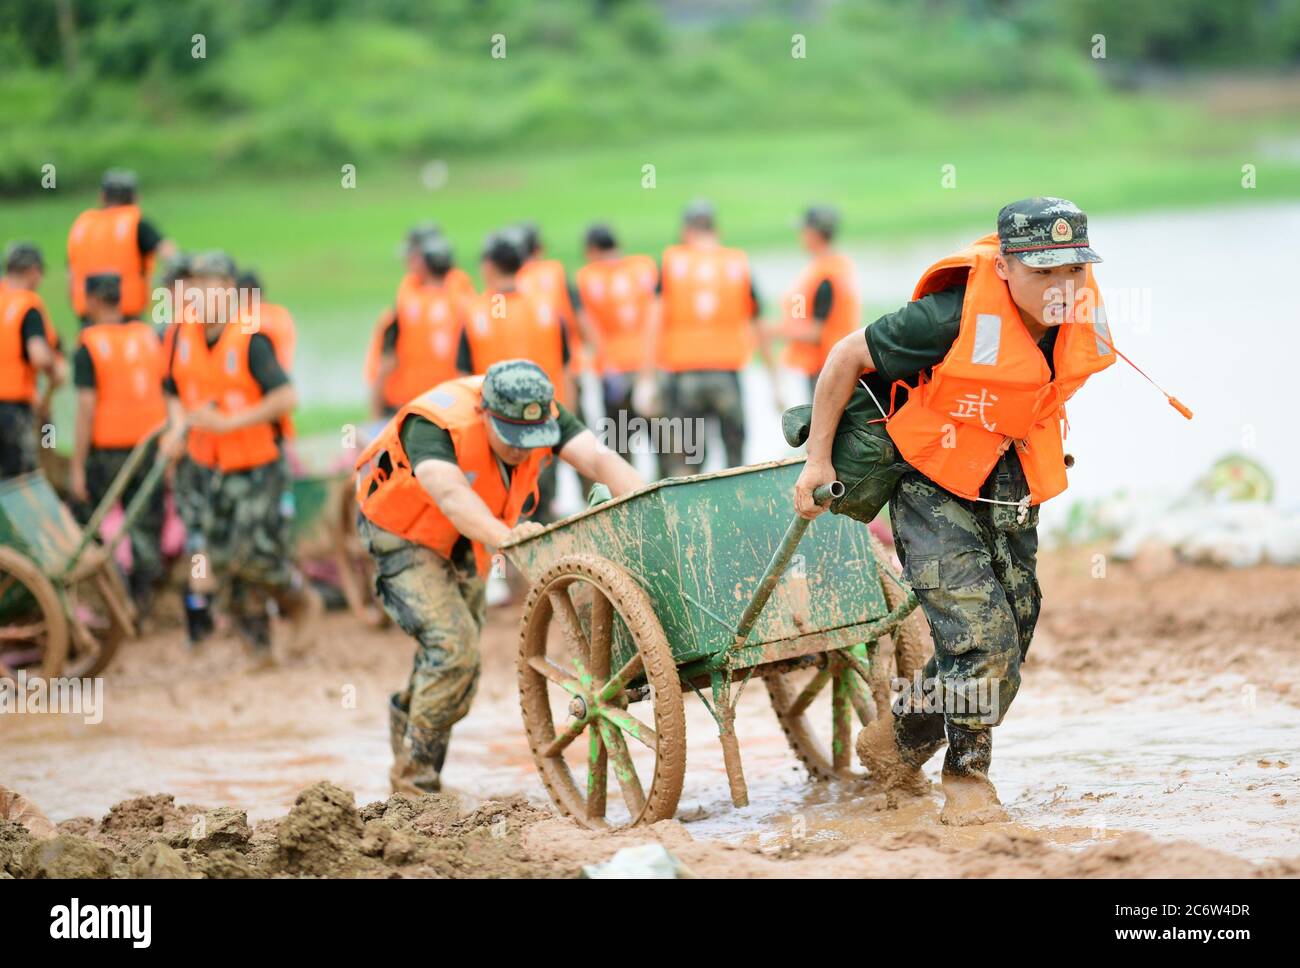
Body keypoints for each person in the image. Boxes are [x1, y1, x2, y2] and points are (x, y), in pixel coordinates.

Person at [793, 198, 1116, 825]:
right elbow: (843, 358)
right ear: (1004, 268)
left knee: (1014, 632)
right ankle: (966, 779)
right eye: (1043, 272)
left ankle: (902, 739)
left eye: (1073, 271)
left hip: (1010, 479)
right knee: (983, 638)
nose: (1062, 288)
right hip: (930, 479)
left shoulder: (1076, 313)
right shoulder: (944, 317)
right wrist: (817, 462)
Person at [353, 359, 643, 794]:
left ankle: (408, 744)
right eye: (513, 439)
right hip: (402, 533)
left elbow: (601, 460)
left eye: (533, 440)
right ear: (485, 414)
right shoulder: (431, 426)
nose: (523, 450)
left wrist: (645, 505)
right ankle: (414, 783)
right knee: (453, 651)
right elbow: (451, 495)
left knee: (458, 668)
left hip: (466, 539)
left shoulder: (543, 409)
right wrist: (508, 539)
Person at [160, 251, 317, 662]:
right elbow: (173, 391)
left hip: (257, 464)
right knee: (217, 557)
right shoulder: (180, 335)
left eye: (207, 283)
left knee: (254, 555)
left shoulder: (250, 338)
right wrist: (177, 427)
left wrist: (232, 422)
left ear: (228, 289)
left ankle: (300, 601)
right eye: (192, 284)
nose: (197, 292)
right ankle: (257, 647)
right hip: (206, 465)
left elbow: (286, 396)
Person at [645, 199, 779, 478]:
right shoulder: (736, 262)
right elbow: (759, 325)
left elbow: (653, 324)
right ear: (715, 228)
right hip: (726, 375)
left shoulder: (672, 262)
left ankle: (685, 517)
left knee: (686, 460)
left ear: (686, 230)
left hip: (685, 377)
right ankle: (736, 516)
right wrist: (774, 380)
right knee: (735, 459)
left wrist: (647, 378)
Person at [70, 273, 168, 614]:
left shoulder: (89, 344)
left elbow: (85, 407)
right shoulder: (147, 336)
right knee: (145, 524)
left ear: (94, 300)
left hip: (108, 451)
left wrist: (77, 466)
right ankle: (143, 602)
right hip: (149, 446)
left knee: (86, 519)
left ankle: (114, 593)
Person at [458, 231, 571, 521]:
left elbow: (462, 381)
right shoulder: (546, 308)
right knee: (544, 515)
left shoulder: (475, 313)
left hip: (497, 433)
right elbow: (566, 369)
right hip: (544, 425)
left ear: (489, 266)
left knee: (501, 520)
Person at [364, 223, 475, 403]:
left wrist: (375, 409)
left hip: (415, 405)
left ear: (424, 259)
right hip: (452, 404)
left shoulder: (406, 305)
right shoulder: (468, 299)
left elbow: (386, 363)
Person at [574, 223, 658, 422]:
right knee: (666, 441)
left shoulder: (587, 278)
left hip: (613, 368)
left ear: (592, 250)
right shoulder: (644, 267)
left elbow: (586, 326)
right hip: (647, 363)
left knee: (619, 444)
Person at [67, 169, 176, 321]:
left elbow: (71, 273)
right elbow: (170, 255)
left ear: (102, 196)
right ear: (135, 197)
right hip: (126, 314)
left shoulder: (82, 225)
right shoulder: (137, 223)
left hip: (89, 313)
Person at [0, 242, 64, 479]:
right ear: (33, 271)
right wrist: (54, 369)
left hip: (24, 405)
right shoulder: (27, 304)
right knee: (20, 478)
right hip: (14, 408)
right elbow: (38, 355)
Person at [781, 206, 861, 394]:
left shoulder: (826, 276)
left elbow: (816, 332)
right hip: (832, 364)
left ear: (814, 234)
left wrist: (771, 331)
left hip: (827, 367)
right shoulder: (832, 267)